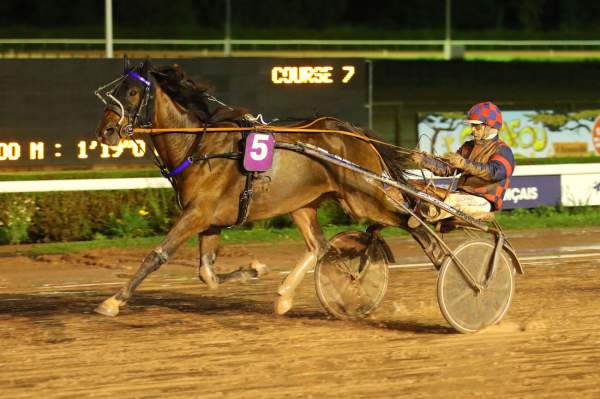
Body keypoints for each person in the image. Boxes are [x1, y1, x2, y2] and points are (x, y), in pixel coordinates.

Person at [408, 101, 515, 266]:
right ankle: (421, 210)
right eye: (472, 126)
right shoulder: (468, 147)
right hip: (461, 196)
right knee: (416, 185)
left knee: (450, 200)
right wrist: (424, 161)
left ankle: (424, 214)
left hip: (482, 201)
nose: (473, 130)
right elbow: (447, 169)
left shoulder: (502, 150)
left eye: (477, 126)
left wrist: (465, 164)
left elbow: (495, 172)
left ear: (490, 126)